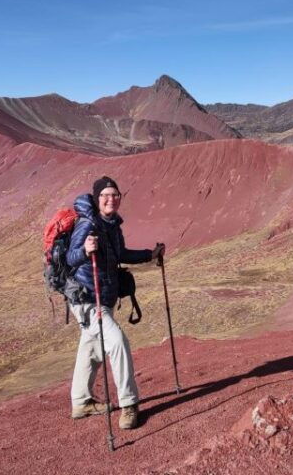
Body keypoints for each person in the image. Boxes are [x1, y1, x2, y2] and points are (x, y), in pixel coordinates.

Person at [65, 175, 165, 428]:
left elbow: (121, 254)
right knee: (117, 341)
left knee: (91, 348)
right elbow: (70, 259)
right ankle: (129, 404)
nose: (111, 199)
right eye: (105, 195)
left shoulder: (112, 225)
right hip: (87, 299)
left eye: (115, 195)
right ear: (97, 198)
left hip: (104, 297)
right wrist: (85, 250)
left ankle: (81, 402)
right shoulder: (88, 225)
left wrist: (150, 255)